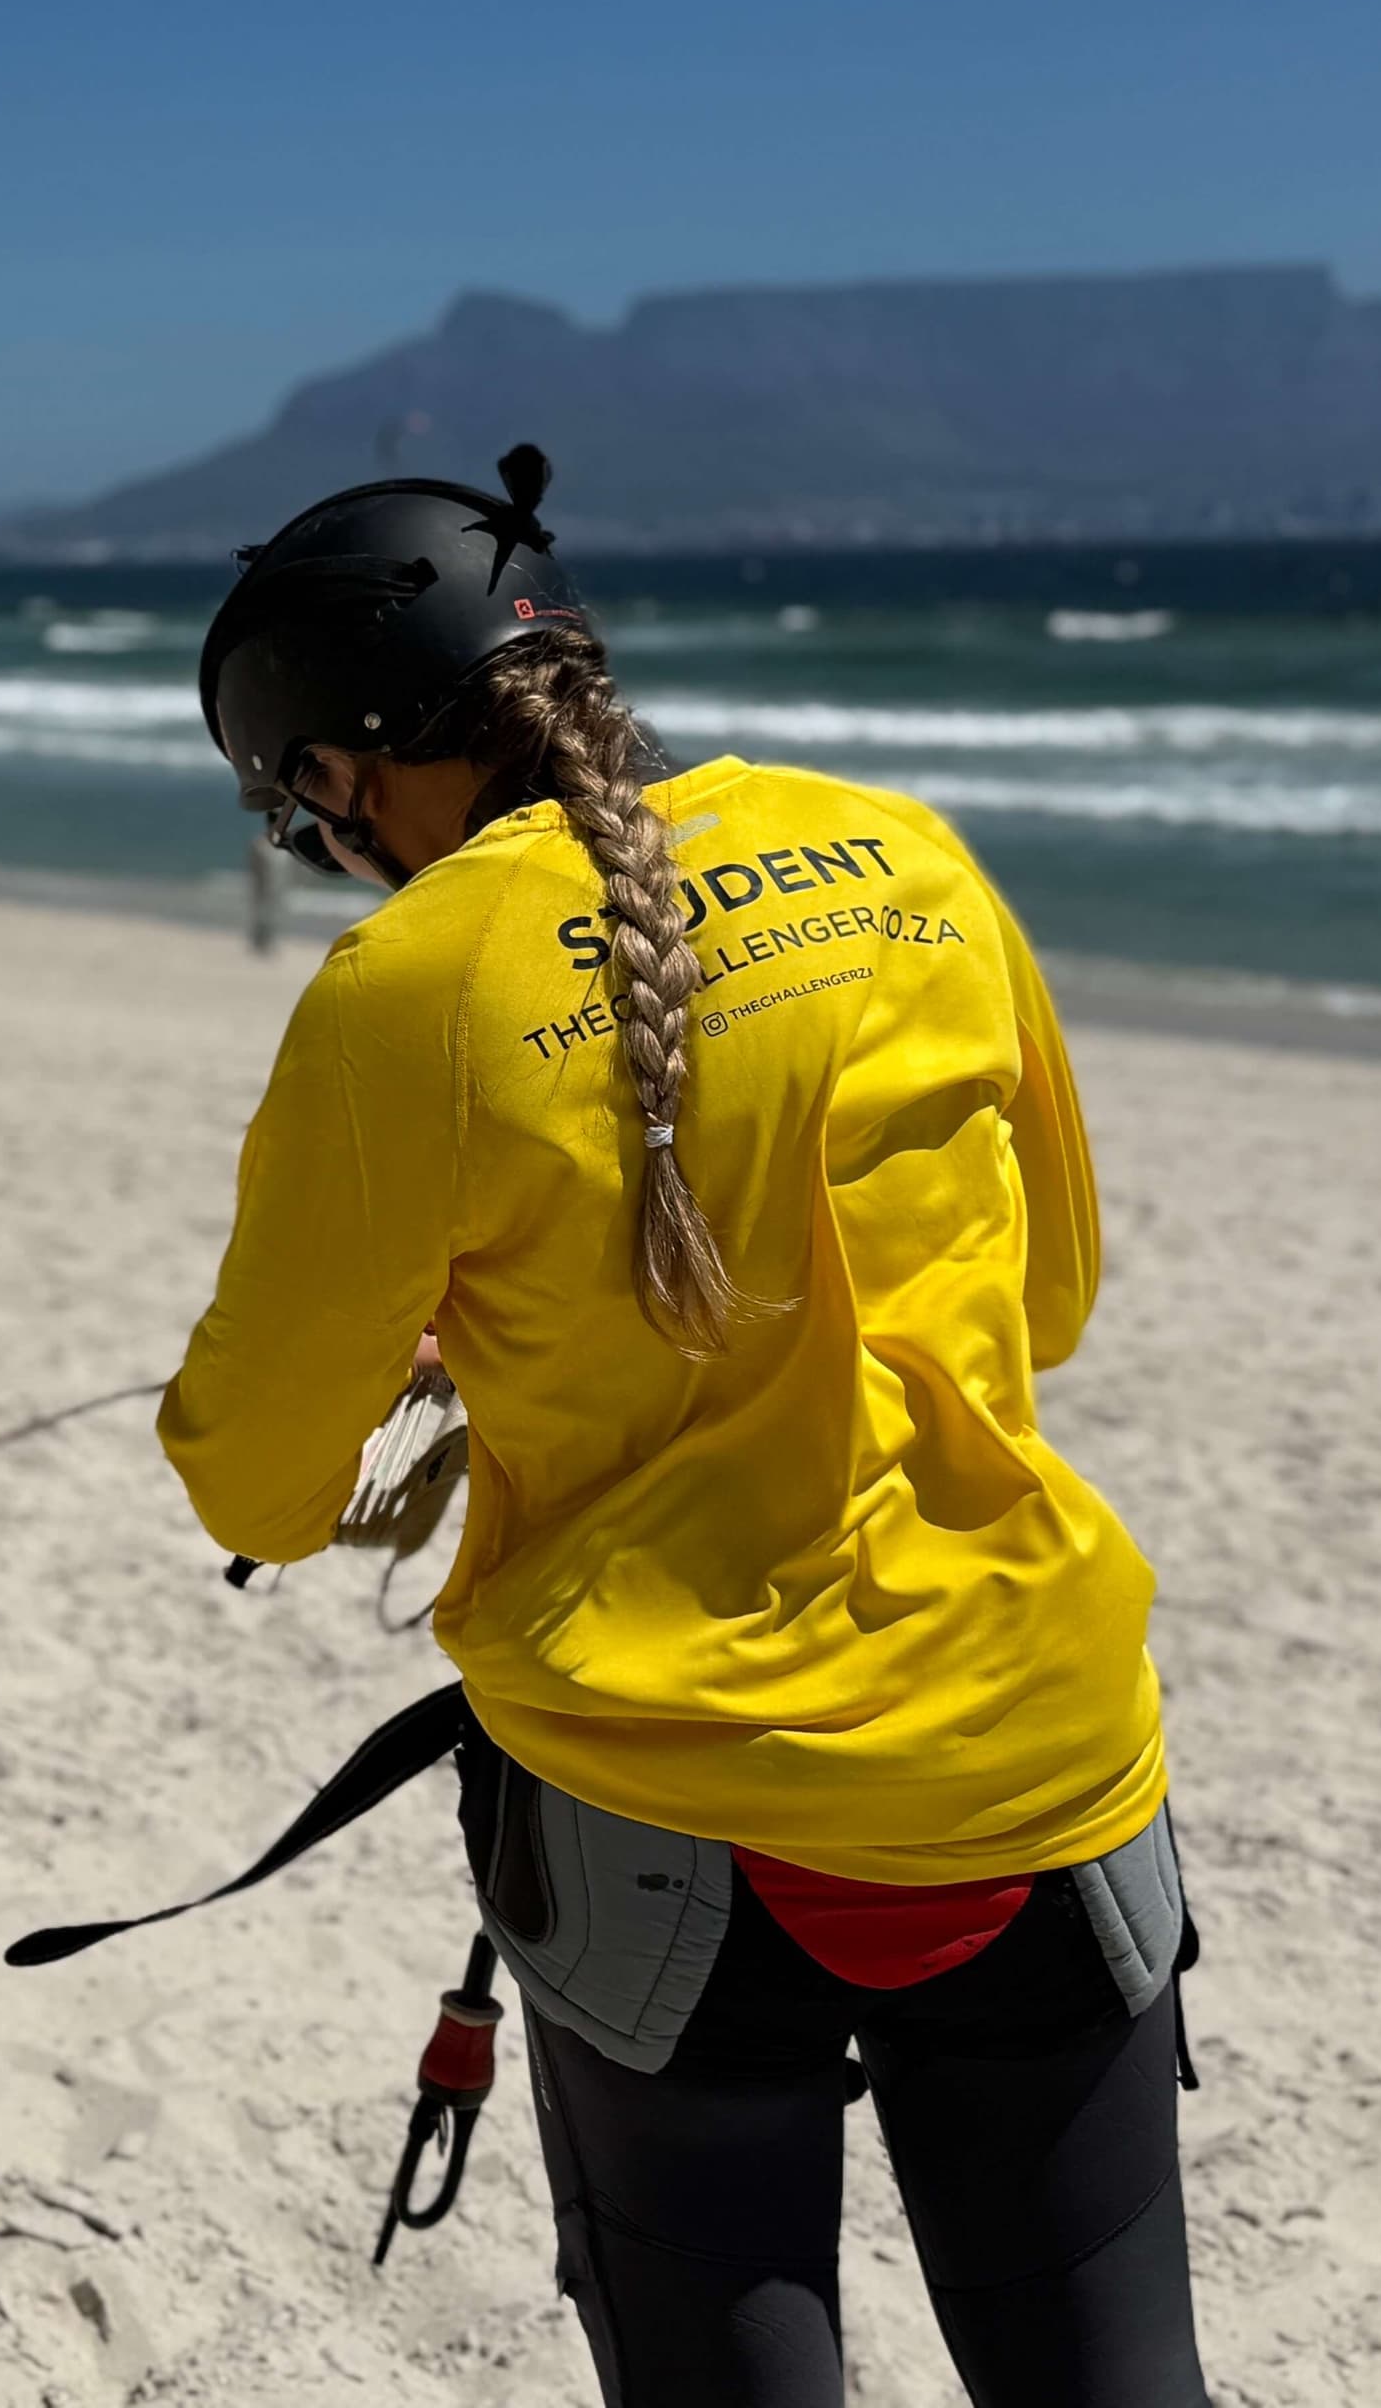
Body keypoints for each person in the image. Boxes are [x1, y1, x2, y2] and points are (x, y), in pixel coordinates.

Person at [158, 453, 1207, 2404]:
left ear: (336, 781)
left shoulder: (411, 984)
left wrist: (457, 1399)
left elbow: (255, 1477)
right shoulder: (906, 854)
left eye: (299, 821)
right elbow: (1044, 1298)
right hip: (1036, 1765)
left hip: (662, 1813)